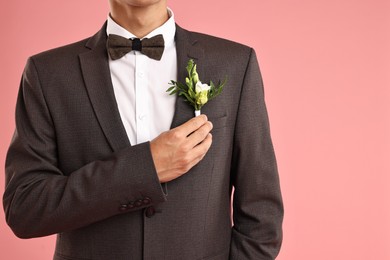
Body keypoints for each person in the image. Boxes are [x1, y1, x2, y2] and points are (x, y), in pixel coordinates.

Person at [3, 0, 283, 259]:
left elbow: (261, 215)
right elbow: (25, 207)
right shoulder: (47, 73)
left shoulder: (235, 63)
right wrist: (145, 168)